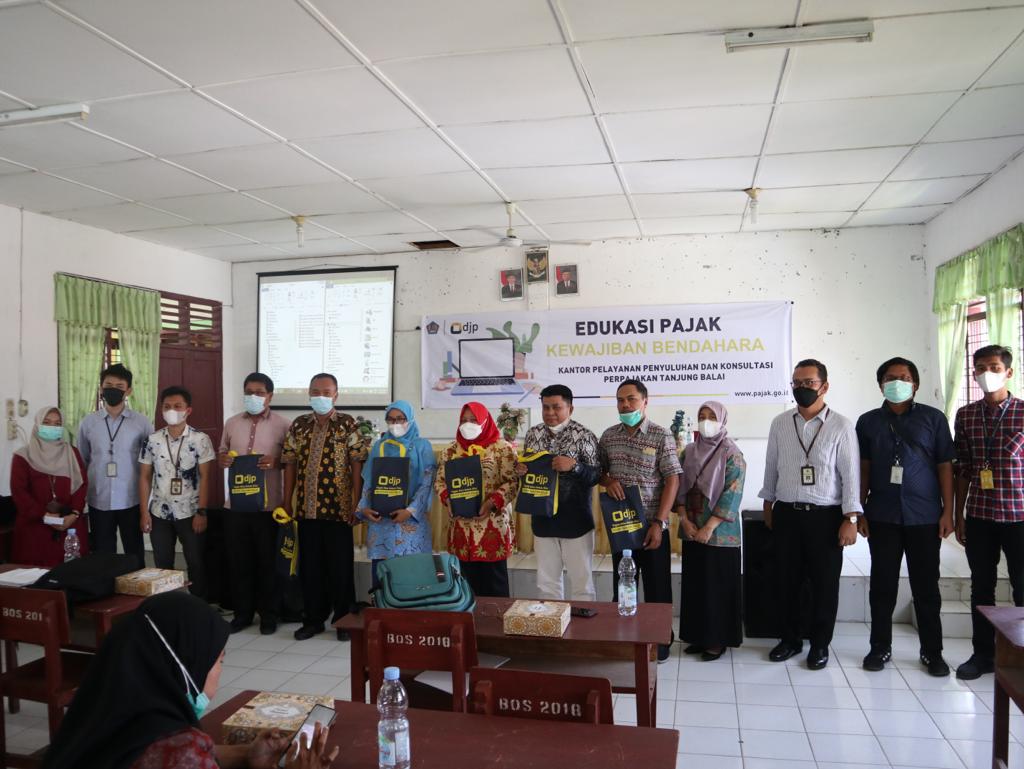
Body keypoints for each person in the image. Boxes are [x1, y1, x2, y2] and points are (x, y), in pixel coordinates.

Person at [41, 592, 338, 769]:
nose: (220, 671)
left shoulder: (102, 713)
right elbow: (182, 755)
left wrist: (245, 753)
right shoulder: (179, 748)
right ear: (186, 668)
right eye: (219, 661)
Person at [856, 357, 955, 676]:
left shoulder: (933, 419)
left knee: (926, 588)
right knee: (882, 586)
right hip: (882, 515)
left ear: (915, 384)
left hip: (924, 515)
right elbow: (863, 469)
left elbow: (945, 466)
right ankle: (879, 648)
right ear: (880, 384)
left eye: (904, 377)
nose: (897, 382)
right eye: (890, 377)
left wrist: (948, 512)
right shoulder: (868, 422)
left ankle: (932, 653)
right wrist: (858, 509)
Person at [760, 359, 862, 670]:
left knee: (824, 584)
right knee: (786, 581)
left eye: (809, 383)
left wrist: (851, 518)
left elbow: (851, 474)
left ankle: (819, 644)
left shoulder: (841, 425)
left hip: (826, 517)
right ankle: (790, 639)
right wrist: (768, 503)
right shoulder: (780, 423)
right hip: (787, 514)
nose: (802, 388)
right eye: (797, 383)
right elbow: (771, 465)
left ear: (824, 386)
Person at [953, 345, 1024, 680]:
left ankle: (1020, 654)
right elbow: (963, 469)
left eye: (994, 367)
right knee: (981, 587)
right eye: (980, 368)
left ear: (1008, 372)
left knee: (1023, 588)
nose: (986, 373)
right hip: (980, 515)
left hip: (1019, 517)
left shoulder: (1022, 413)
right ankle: (982, 654)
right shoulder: (966, 415)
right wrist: (958, 515)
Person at [599, 379, 682, 662]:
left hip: (652, 526)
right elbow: (599, 471)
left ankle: (661, 641)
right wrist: (608, 480)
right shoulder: (609, 436)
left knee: (658, 588)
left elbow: (672, 479)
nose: (625, 405)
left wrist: (659, 523)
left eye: (631, 399)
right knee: (623, 586)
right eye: (620, 400)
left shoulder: (661, 435)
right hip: (622, 526)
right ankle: (625, 638)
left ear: (645, 402)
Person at [282, 373, 369, 641]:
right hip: (306, 509)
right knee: (310, 568)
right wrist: (286, 501)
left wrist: (357, 502)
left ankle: (343, 620)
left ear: (336, 395)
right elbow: (290, 463)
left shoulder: (347, 424)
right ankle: (313, 620)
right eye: (315, 391)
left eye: (326, 392)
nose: (320, 396)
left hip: (338, 510)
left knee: (340, 568)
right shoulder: (299, 425)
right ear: (308, 393)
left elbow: (357, 464)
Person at [219, 373, 291, 636]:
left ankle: (269, 615)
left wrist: (277, 462)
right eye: (249, 391)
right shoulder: (231, 423)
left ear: (270, 396)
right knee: (240, 562)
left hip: (269, 508)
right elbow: (221, 453)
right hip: (236, 507)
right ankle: (243, 614)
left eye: (259, 392)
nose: (253, 396)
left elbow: (293, 461)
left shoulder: (284, 425)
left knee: (267, 564)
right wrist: (223, 460)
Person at [675, 401, 745, 661]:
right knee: (696, 585)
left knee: (717, 586)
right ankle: (697, 636)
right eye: (702, 416)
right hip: (691, 527)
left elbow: (732, 493)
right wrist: (684, 519)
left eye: (712, 417)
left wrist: (709, 527)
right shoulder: (689, 451)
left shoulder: (732, 453)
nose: (706, 421)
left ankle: (717, 640)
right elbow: (678, 485)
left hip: (720, 533)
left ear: (723, 421)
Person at [516, 384, 600, 601]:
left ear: (570, 408)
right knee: (547, 585)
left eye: (556, 407)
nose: (550, 413)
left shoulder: (585, 435)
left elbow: (596, 475)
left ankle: (582, 623)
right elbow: (528, 470)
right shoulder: (533, 434)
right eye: (546, 407)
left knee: (582, 584)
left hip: (576, 521)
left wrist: (575, 466)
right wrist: (521, 470)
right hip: (542, 519)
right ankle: (550, 622)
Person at [435, 402, 519, 598]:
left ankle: (496, 618)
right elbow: (440, 481)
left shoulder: (502, 449)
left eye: (473, 420)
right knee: (466, 588)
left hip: (492, 528)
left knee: (495, 588)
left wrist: (492, 502)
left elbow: (512, 482)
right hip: (461, 530)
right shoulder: (450, 451)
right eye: (464, 420)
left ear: (485, 421)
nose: (468, 424)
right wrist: (448, 500)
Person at [139, 387, 216, 599]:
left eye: (177, 406)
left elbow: (206, 477)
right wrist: (144, 513)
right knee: (163, 564)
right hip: (159, 512)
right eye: (167, 407)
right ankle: (168, 605)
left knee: (196, 562)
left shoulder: (200, 439)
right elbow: (144, 477)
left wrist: (202, 512)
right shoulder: (152, 440)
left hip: (191, 512)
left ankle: (198, 605)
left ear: (188, 410)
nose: (171, 410)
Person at [76, 363, 152, 562]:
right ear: (101, 388)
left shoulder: (142, 423)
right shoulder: (88, 422)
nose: (113, 390)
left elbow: (149, 462)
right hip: (98, 497)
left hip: (131, 498)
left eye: (119, 386)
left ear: (129, 391)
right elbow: (83, 459)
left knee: (134, 553)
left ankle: (135, 582)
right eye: (108, 385)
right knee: (102, 555)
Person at [356, 400, 436, 587]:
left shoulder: (422, 446)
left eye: (400, 418)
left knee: (412, 582)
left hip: (411, 525)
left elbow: (427, 483)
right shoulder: (379, 446)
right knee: (382, 580)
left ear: (410, 419)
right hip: (380, 525)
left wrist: (410, 511)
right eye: (391, 419)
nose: (395, 423)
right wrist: (364, 508)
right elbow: (369, 482)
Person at [10, 407, 89, 567]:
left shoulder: (72, 453)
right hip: (35, 529)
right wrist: (44, 515)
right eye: (46, 422)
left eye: (57, 424)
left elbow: (82, 485)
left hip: (69, 526)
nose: (52, 427)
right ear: (38, 424)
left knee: (71, 575)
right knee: (35, 577)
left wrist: (74, 513)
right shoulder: (23, 456)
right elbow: (19, 492)